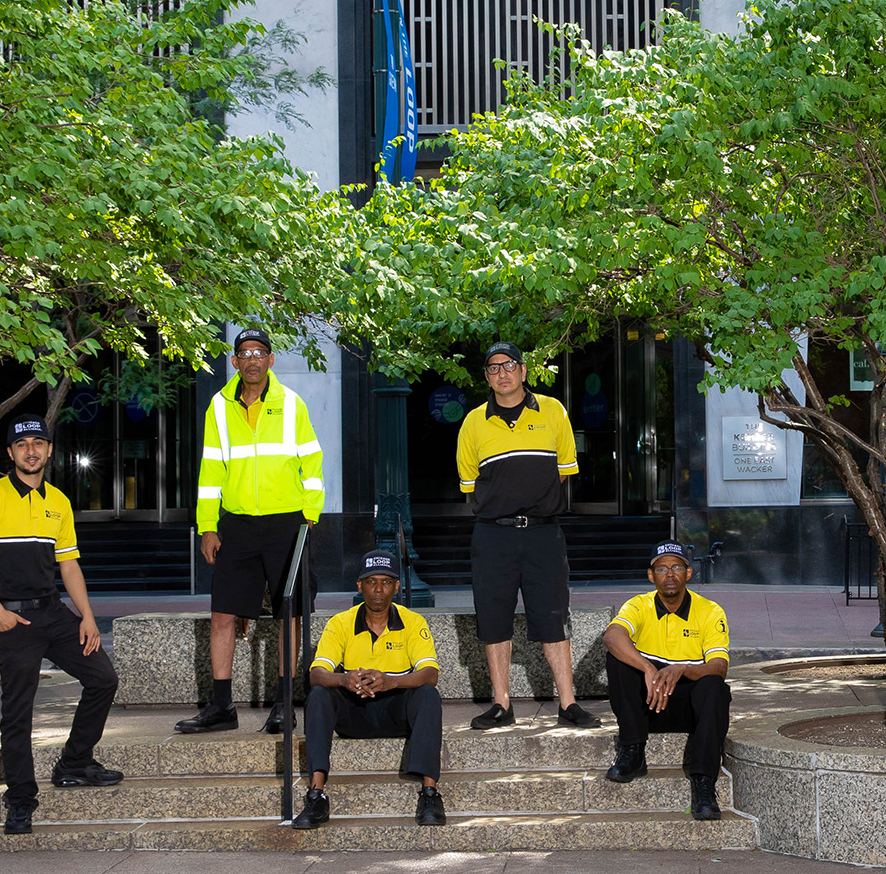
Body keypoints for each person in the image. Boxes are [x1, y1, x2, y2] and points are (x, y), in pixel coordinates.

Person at [0, 415, 124, 836]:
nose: (31, 450)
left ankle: (75, 763)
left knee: (103, 677)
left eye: (38, 443)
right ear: (10, 453)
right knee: (17, 713)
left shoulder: (59, 502)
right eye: (22, 444)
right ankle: (20, 801)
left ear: (49, 450)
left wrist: (86, 615)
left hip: (53, 612)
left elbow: (68, 564)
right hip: (13, 619)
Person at [177, 328, 324, 736]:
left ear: (271, 360)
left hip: (287, 522)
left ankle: (282, 703)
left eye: (260, 352)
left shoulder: (292, 405)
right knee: (223, 612)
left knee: (287, 613)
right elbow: (210, 472)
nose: (253, 359)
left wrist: (309, 513)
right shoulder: (218, 407)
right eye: (245, 353)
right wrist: (208, 526)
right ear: (236, 362)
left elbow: (312, 462)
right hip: (236, 525)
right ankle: (222, 707)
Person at [455, 341, 598, 730]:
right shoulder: (473, 422)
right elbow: (469, 481)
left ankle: (568, 703)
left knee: (553, 616)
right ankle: (501, 704)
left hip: (543, 535)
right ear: (487, 377)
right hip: (492, 536)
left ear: (523, 371)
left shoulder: (553, 411)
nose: (502, 373)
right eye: (493, 368)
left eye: (509, 366)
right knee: (493, 619)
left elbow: (566, 469)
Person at [294, 550, 447, 829]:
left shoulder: (413, 622)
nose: (379, 589)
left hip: (396, 713)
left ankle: (430, 794)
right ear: (359, 585)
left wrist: (392, 681)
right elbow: (316, 674)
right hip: (355, 714)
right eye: (371, 581)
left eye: (386, 582)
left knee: (427, 694)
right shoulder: (340, 623)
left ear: (397, 587)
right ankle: (316, 795)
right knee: (319, 695)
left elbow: (430, 673)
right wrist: (344, 679)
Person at [601, 541, 733, 820]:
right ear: (651, 576)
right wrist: (648, 669)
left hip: (690, 710)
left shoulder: (710, 611)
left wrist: (681, 669)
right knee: (618, 658)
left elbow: (719, 667)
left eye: (676, 567)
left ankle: (705, 783)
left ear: (688, 573)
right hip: (647, 706)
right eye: (662, 568)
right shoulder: (639, 605)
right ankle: (633, 750)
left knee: (715, 687)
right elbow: (611, 637)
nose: (669, 574)